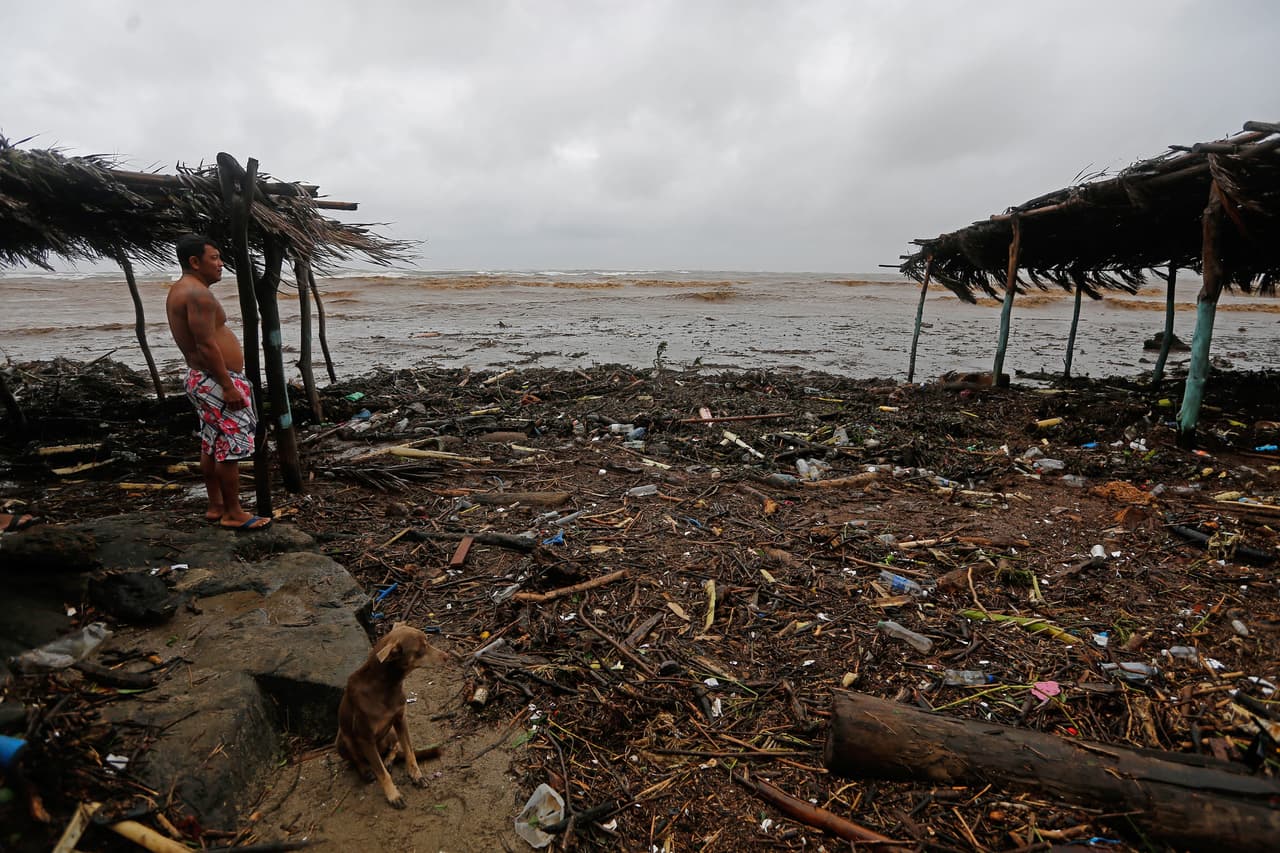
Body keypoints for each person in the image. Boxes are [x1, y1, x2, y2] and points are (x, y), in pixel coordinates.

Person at [165, 235, 271, 530]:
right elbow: (206, 345)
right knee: (231, 447)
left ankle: (216, 505)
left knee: (211, 443)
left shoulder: (183, 290)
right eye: (214, 258)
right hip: (215, 379)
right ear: (194, 262)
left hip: (203, 379)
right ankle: (233, 513)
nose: (221, 264)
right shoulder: (198, 295)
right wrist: (227, 385)